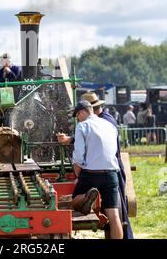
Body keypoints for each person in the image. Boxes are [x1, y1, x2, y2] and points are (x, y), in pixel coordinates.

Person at [57, 100, 123, 239]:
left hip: (92, 174)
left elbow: (79, 155)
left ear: (82, 112)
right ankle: (89, 197)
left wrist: (78, 176)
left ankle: (87, 197)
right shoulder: (110, 125)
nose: (78, 119)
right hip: (111, 173)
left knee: (74, 201)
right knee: (114, 215)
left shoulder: (83, 126)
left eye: (77, 116)